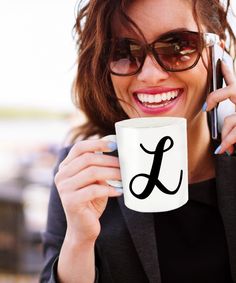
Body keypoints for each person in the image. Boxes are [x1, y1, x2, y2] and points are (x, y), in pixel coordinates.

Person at [40, 0, 236, 282]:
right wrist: (79, 242)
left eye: (178, 46)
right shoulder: (80, 175)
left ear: (218, 55)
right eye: (124, 52)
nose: (150, 75)